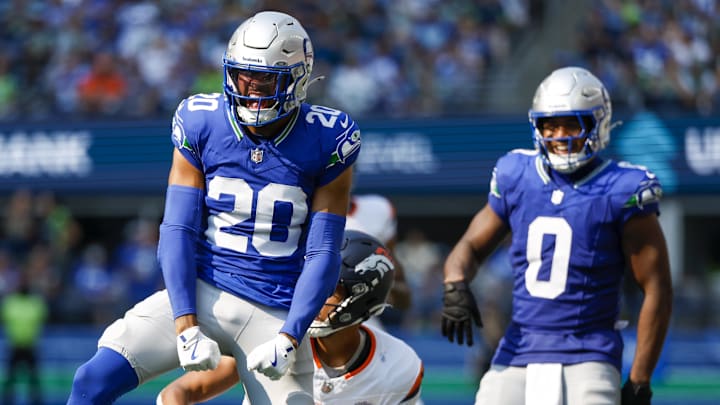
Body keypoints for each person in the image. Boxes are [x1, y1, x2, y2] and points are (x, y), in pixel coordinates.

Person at [67, 10, 361, 404]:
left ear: (297, 77)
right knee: (92, 380)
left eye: (265, 79)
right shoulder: (201, 120)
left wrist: (291, 335)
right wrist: (185, 323)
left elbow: (323, 249)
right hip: (202, 288)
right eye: (244, 76)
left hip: (274, 307)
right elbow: (177, 229)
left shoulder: (328, 137)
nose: (252, 89)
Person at [440, 66, 672, 405]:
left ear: (598, 123)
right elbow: (471, 246)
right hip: (517, 349)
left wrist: (640, 380)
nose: (560, 135)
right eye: (551, 125)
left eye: (571, 124)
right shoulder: (516, 174)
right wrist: (455, 283)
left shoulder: (624, 188)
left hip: (588, 353)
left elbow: (657, 287)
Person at [157, 229, 424, 405]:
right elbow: (177, 393)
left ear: (363, 295)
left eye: (327, 288)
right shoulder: (268, 333)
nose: (310, 294)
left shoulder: (399, 367)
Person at [1, 271, 48, 405]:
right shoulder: (9, 303)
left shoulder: (36, 303)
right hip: (15, 346)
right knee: (10, 380)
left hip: (31, 346)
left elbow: (42, 319)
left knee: (34, 381)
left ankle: (36, 402)